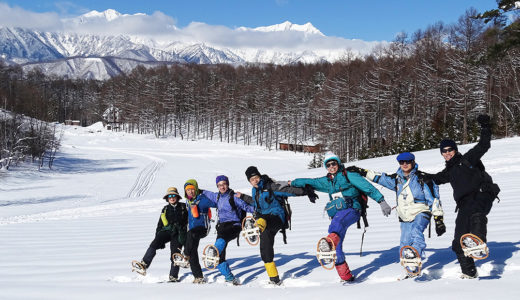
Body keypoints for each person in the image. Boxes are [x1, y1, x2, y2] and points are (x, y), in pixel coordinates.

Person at [288, 152, 390, 282]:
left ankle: (329, 243)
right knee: (337, 243)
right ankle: (346, 277)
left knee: (336, 224)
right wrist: (291, 183)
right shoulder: (327, 181)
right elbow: (310, 181)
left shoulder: (349, 175)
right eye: (328, 165)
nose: (331, 166)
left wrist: (381, 201)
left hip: (352, 209)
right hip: (338, 213)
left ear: (338, 163)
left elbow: (367, 187)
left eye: (334, 163)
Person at [347, 152, 445, 278]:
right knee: (404, 244)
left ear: (413, 162)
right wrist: (362, 171)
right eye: (401, 162)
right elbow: (380, 178)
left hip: (421, 212)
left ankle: (415, 255)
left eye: (407, 161)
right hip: (404, 216)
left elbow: (434, 199)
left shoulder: (423, 179)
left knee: (416, 232)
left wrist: (438, 219)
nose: (404, 164)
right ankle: (412, 270)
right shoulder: (397, 179)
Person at [425, 114, 499, 279]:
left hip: (482, 195)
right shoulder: (449, 172)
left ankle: (478, 242)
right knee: (458, 242)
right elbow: (436, 178)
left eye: (450, 149)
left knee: (476, 214)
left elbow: (484, 145)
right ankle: (469, 273)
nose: (447, 153)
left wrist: (485, 127)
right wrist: (421, 176)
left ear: (455, 150)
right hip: (464, 204)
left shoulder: (468, 159)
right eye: (444, 151)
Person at [236, 166, 313, 285]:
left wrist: (305, 191)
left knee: (263, 219)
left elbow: (288, 191)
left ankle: (255, 227)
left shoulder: (270, 186)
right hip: (264, 222)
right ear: (249, 181)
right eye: (252, 180)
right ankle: (274, 278)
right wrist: (242, 197)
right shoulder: (254, 190)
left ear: (259, 176)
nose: (255, 181)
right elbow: (255, 203)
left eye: (256, 177)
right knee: (265, 248)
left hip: (277, 217)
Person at [200, 175, 255, 285]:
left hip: (234, 225)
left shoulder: (234, 197)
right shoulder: (217, 197)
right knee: (220, 256)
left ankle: (214, 252)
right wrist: (198, 190)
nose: (222, 187)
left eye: (224, 184)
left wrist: (258, 211)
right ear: (217, 186)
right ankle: (229, 277)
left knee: (221, 241)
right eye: (219, 185)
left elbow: (246, 207)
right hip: (222, 226)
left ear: (228, 184)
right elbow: (208, 193)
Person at [133, 187, 188, 282]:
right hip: (166, 231)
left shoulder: (184, 207)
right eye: (169, 196)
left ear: (177, 197)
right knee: (154, 243)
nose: (172, 198)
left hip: (178, 233)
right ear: (167, 198)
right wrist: (158, 238)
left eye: (174, 195)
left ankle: (173, 276)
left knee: (175, 254)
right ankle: (144, 264)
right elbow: (159, 225)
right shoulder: (165, 209)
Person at [181, 179, 214, 284]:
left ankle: (185, 255)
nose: (190, 192)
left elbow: (215, 203)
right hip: (192, 230)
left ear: (196, 189)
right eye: (188, 190)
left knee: (190, 238)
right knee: (193, 251)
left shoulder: (202, 199)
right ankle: (198, 277)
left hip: (202, 228)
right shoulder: (188, 201)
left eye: (192, 189)